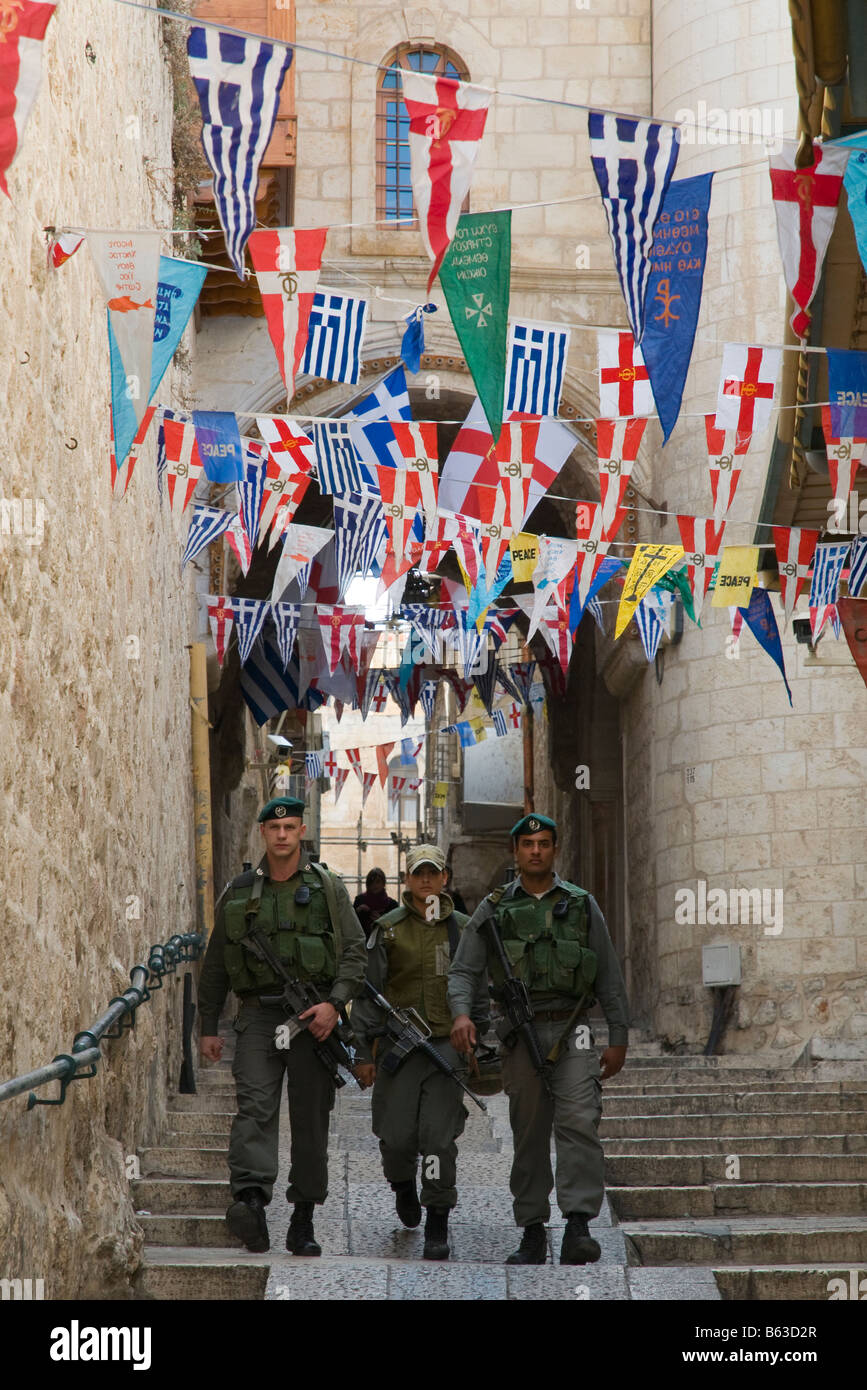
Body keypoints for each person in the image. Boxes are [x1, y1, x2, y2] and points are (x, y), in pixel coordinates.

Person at [448, 814, 629, 1267]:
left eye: (543, 843)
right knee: (528, 1133)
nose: (535, 850)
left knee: (579, 1123)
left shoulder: (582, 905)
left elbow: (608, 974)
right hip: (518, 1035)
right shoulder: (493, 910)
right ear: (516, 851)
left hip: (574, 1031)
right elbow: (464, 970)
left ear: (554, 850)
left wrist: (619, 1035)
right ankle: (531, 1230)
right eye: (527, 843)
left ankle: (578, 1226)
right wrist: (462, 1014)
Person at [198, 796, 367, 1256]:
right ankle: (251, 1201)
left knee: (311, 1118)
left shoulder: (328, 888)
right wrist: (208, 1024)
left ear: (302, 832)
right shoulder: (239, 891)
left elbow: (355, 951)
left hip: (313, 1020)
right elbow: (215, 964)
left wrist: (335, 1005)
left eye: (291, 827)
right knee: (255, 1106)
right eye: (275, 829)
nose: (282, 835)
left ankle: (303, 1218)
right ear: (263, 834)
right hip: (257, 1017)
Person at [351, 844, 488, 1260]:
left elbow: (479, 990)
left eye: (433, 873)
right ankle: (402, 1184)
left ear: (444, 877)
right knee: (395, 1139)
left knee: (438, 1139)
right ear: (407, 879)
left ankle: (437, 1220)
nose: (426, 880)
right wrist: (363, 1053)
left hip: (446, 1049)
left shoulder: (464, 930)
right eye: (418, 873)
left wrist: (480, 1035)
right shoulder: (388, 930)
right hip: (400, 1048)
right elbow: (367, 994)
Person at [353, 867, 398, 940]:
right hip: (363, 944)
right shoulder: (359, 900)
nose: (374, 885)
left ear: (383, 883)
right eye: (371, 882)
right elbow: (352, 925)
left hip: (384, 944)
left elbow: (396, 930)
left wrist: (382, 922)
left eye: (377, 882)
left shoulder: (392, 905)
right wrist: (358, 911)